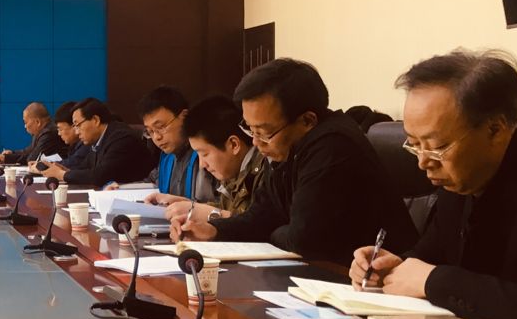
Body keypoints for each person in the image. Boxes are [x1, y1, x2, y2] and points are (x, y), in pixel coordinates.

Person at [350, 50, 517, 319]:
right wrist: (392, 267)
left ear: (495, 130)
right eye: (414, 144)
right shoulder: (458, 182)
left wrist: (433, 281)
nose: (423, 162)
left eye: (438, 146)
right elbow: (430, 254)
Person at [174, 58, 417, 261]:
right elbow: (262, 215)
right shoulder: (284, 148)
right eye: (250, 129)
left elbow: (304, 240)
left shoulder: (333, 146)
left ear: (307, 121)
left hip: (372, 281)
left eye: (264, 132)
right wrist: (213, 230)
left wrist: (273, 231)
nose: (256, 142)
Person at [150, 95, 270, 224]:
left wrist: (213, 215)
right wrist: (189, 205)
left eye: (205, 154)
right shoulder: (234, 173)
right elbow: (228, 210)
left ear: (234, 145)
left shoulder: (267, 171)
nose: (202, 164)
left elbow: (260, 226)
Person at [120, 87, 217, 202]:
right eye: (150, 131)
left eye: (160, 127)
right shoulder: (167, 156)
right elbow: (152, 181)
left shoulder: (206, 154)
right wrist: (120, 188)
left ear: (184, 117)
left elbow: (223, 205)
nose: (156, 137)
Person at [38, 99, 152, 188]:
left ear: (95, 120)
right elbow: (86, 167)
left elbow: (100, 176)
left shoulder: (121, 138)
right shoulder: (99, 139)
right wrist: (65, 170)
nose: (77, 132)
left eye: (78, 125)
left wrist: (61, 175)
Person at [0, 102, 67, 165]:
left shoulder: (48, 133)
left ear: (37, 122)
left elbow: (32, 158)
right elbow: (28, 151)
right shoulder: (41, 131)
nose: (25, 126)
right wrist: (12, 153)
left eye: (26, 122)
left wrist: (6, 158)